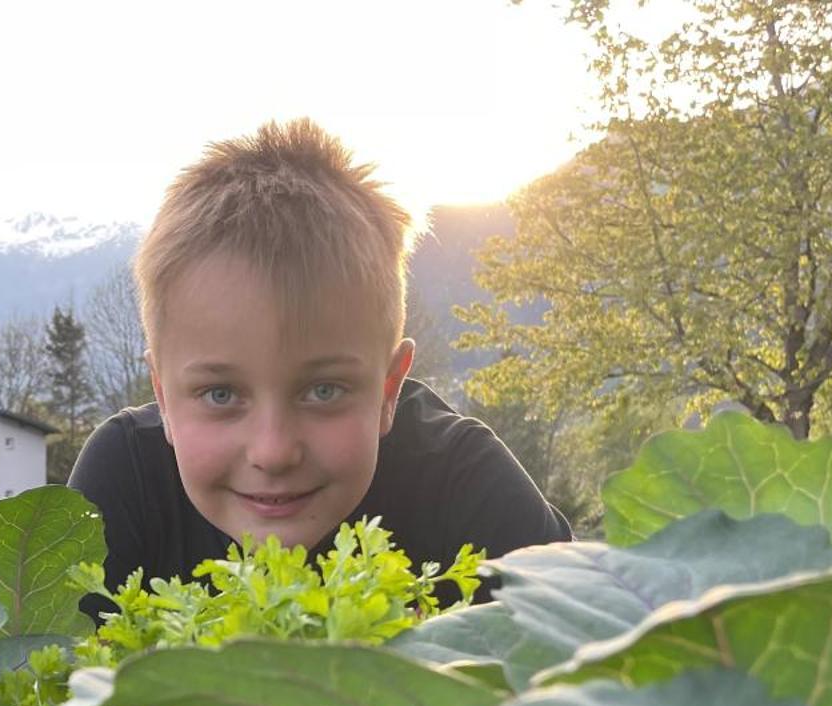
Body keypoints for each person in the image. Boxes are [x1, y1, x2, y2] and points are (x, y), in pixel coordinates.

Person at [69, 118, 572, 601]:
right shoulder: (126, 478)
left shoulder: (466, 482)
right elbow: (25, 684)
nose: (273, 451)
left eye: (323, 390)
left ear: (388, 389)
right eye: (220, 394)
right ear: (162, 395)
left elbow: (600, 669)